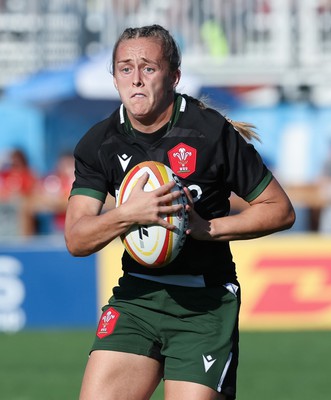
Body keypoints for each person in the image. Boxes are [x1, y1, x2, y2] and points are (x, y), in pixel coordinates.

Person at [65, 24, 295, 400]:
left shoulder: (210, 132)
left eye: (148, 68)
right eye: (125, 68)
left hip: (204, 306)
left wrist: (207, 228)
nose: (136, 79)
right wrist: (129, 213)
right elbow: (76, 238)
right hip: (137, 298)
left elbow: (280, 210)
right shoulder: (98, 143)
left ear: (174, 76)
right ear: (114, 77)